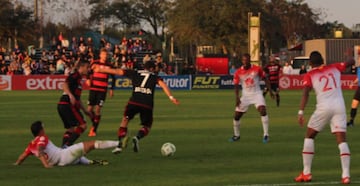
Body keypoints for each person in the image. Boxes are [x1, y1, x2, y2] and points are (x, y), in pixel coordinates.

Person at [94, 61, 180, 154]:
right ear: (151, 69)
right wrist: (171, 97)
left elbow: (118, 71)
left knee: (125, 120)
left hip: (134, 102)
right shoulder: (155, 77)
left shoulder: (135, 72)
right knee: (147, 126)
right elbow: (164, 85)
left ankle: (119, 146)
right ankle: (137, 137)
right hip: (147, 104)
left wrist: (101, 69)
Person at [295, 51, 352, 184]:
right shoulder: (335, 67)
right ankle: (346, 176)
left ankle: (307, 173)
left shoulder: (310, 75)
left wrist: (301, 112)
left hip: (324, 108)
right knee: (342, 140)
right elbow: (351, 62)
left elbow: (305, 94)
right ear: (323, 60)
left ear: (310, 63)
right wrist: (349, 55)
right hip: (339, 107)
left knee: (309, 136)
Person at [14, 121, 119, 168]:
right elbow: (40, 150)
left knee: (76, 156)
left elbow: (22, 157)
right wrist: (46, 165)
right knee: (91, 144)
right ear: (41, 130)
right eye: (43, 127)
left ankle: (92, 163)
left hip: (61, 162)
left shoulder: (30, 145)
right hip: (64, 156)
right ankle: (119, 143)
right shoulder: (42, 138)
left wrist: (16, 164)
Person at [229, 53, 274, 143]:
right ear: (242, 61)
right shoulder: (238, 72)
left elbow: (265, 79)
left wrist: (270, 91)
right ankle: (236, 135)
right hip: (245, 96)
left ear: (250, 60)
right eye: (244, 60)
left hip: (257, 93)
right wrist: (237, 98)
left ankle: (266, 135)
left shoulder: (257, 69)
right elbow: (236, 86)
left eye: (247, 60)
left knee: (262, 110)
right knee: (237, 116)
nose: (245, 62)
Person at [58, 61, 92, 147]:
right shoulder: (75, 76)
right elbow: (65, 84)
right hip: (67, 104)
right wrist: (70, 95)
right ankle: (68, 146)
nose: (89, 69)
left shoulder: (79, 79)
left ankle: (63, 149)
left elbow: (78, 99)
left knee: (71, 129)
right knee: (83, 125)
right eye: (87, 67)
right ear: (82, 67)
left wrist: (84, 110)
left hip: (62, 104)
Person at [87, 48, 116, 137]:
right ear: (100, 55)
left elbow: (113, 77)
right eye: (103, 54)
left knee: (98, 109)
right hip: (93, 89)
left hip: (102, 90)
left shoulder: (109, 65)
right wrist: (88, 79)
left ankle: (94, 129)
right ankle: (95, 122)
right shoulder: (95, 63)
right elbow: (89, 72)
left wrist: (111, 89)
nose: (105, 56)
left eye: (106, 55)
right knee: (89, 110)